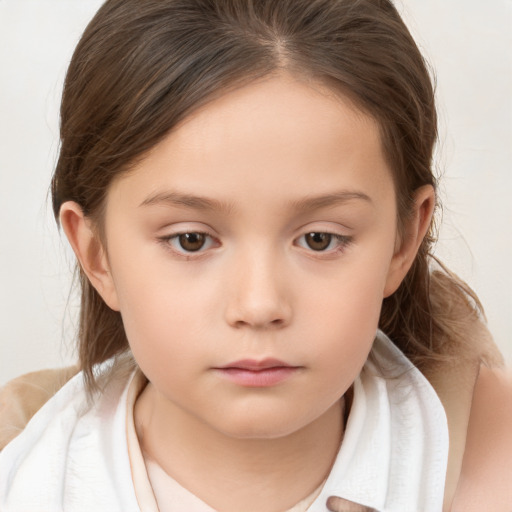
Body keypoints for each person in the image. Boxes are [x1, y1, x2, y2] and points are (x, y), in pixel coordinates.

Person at [0, 0, 510, 511]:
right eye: (191, 240)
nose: (259, 304)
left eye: (319, 239)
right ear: (96, 254)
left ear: (404, 241)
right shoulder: (24, 480)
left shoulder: (491, 464)